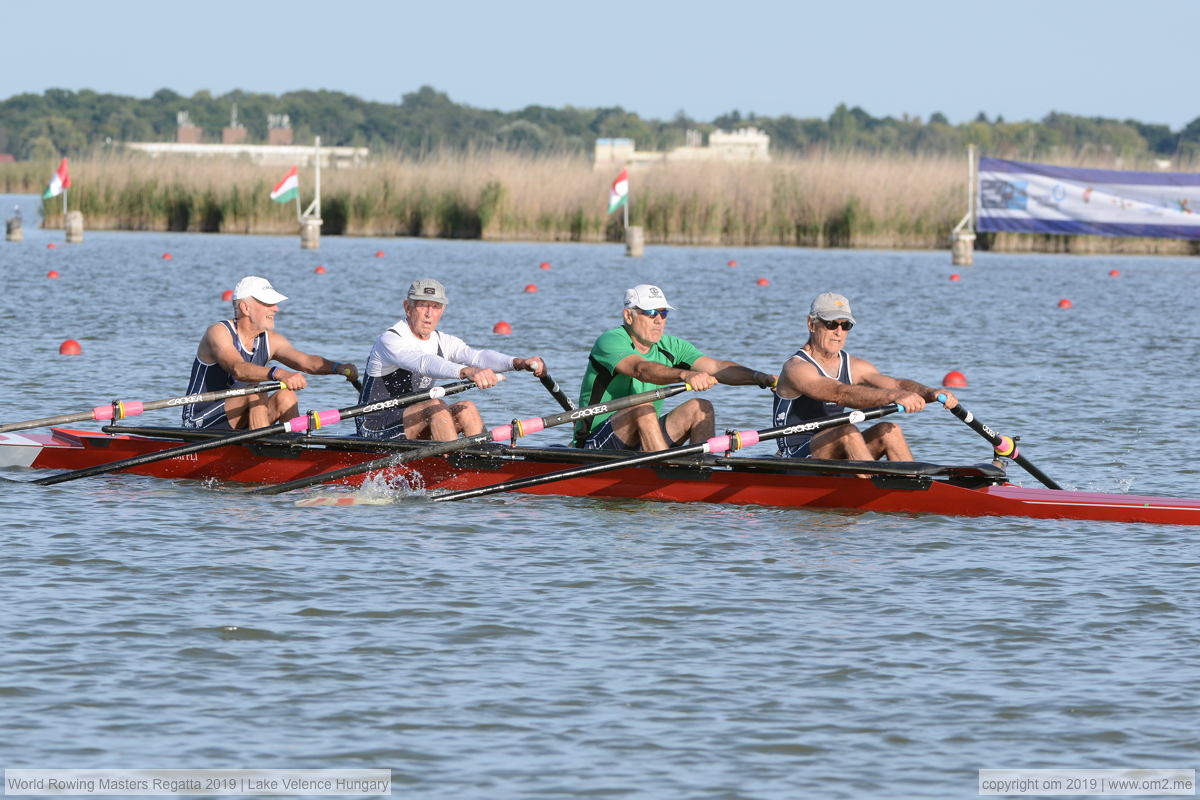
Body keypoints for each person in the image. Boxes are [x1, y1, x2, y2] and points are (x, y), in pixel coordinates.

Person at [575, 284, 777, 451]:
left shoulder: (672, 347)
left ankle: (702, 472)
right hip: (596, 442)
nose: (658, 320)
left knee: (701, 407)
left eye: (663, 313)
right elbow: (641, 369)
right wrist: (684, 375)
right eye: (650, 312)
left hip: (645, 436)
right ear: (629, 316)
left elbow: (717, 367)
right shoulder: (610, 341)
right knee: (642, 407)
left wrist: (760, 377)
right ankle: (666, 473)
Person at [772, 292, 957, 461]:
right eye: (830, 324)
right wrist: (895, 397)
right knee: (848, 432)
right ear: (811, 324)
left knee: (889, 431)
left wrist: (930, 392)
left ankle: (913, 489)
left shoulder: (855, 366)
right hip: (795, 455)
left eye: (845, 325)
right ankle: (873, 487)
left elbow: (895, 384)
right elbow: (840, 393)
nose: (838, 332)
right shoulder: (796, 368)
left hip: (835, 451)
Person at [356, 278, 547, 441]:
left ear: (442, 310)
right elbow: (423, 362)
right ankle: (453, 471)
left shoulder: (443, 341)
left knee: (467, 408)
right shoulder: (390, 339)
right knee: (435, 406)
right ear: (408, 307)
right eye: (423, 305)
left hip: (414, 422)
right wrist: (466, 371)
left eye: (436, 306)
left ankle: (480, 464)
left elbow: (478, 357)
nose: (429, 313)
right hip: (375, 426)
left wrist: (519, 363)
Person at [182, 276, 360, 430]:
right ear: (245, 308)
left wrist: (338, 367)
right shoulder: (218, 332)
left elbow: (307, 362)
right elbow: (238, 368)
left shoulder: (270, 340)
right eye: (268, 303)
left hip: (239, 419)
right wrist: (278, 373)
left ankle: (293, 454)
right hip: (200, 422)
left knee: (286, 396)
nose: (276, 309)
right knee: (256, 389)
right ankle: (261, 450)